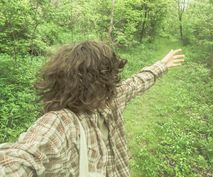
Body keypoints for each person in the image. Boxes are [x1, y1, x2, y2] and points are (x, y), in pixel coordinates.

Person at [0, 40, 185, 177]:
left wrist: (162, 65)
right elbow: (24, 158)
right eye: (107, 78)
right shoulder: (62, 121)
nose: (112, 84)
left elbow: (135, 83)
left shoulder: (109, 100)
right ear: (91, 82)